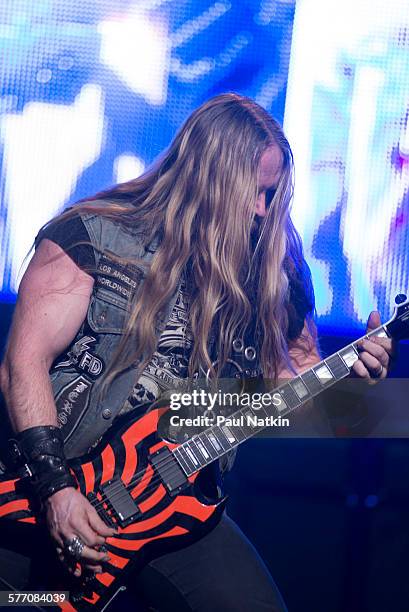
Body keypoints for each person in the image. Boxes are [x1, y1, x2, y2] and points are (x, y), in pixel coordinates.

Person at [0, 93, 393, 611]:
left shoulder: (275, 268)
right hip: (51, 487)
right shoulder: (94, 235)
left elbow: (284, 385)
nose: (261, 209)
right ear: (210, 178)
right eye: (253, 191)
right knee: (33, 603)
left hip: (176, 496)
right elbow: (21, 365)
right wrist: (57, 491)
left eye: (271, 194)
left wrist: (348, 380)